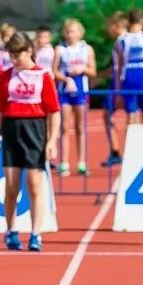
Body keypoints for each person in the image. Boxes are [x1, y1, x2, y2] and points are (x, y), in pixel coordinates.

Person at [0, 33, 61, 252]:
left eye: (18, 54)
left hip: (35, 130)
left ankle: (36, 234)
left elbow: (54, 111)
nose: (14, 59)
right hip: (11, 129)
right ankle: (11, 231)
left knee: (35, 185)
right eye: (11, 55)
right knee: (11, 186)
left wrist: (51, 140)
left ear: (29, 51)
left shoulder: (43, 76)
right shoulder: (6, 77)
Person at [54, 18, 96, 177]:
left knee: (80, 127)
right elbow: (54, 71)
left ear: (80, 32)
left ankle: (82, 163)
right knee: (64, 127)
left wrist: (82, 69)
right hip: (65, 92)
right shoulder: (60, 49)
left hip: (81, 90)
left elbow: (93, 71)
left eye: (73, 31)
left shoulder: (87, 49)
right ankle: (64, 162)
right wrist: (66, 79)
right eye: (67, 31)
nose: (70, 34)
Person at [116, 7, 143, 125]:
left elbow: (119, 66)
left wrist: (118, 88)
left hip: (128, 79)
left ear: (128, 21)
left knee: (131, 114)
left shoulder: (122, 40)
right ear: (142, 21)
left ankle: (132, 142)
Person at [100, 12, 129, 167]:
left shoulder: (120, 42)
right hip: (125, 82)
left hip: (121, 84)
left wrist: (117, 91)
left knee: (107, 114)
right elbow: (114, 67)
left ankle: (117, 150)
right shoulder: (131, 39)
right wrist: (99, 76)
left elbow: (118, 68)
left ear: (116, 26)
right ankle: (118, 150)